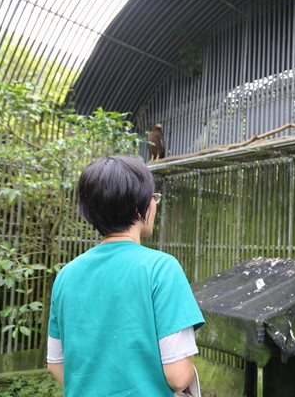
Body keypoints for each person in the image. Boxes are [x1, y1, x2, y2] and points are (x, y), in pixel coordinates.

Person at [47, 155, 205, 396]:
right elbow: (178, 375)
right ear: (138, 206)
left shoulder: (66, 275)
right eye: (153, 197)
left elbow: (55, 363)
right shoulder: (160, 268)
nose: (155, 204)